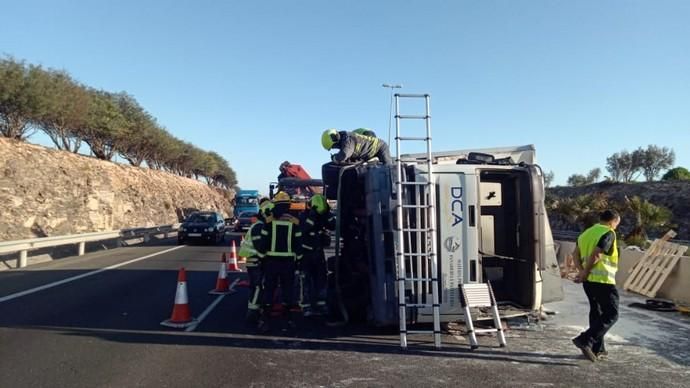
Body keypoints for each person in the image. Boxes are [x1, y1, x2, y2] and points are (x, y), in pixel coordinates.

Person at [571, 209, 621, 362]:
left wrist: (582, 272)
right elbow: (597, 254)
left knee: (597, 313)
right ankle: (585, 339)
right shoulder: (609, 233)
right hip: (603, 281)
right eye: (617, 224)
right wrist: (585, 273)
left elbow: (575, 254)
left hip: (589, 282)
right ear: (613, 221)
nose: (616, 227)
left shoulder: (586, 233)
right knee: (612, 314)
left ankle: (597, 349)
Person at [254, 191, 303, 332]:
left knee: (269, 288)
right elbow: (298, 244)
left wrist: (261, 258)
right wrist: (299, 261)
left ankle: (265, 319)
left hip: (271, 262)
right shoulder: (295, 222)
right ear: (288, 206)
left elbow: (263, 243)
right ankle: (288, 319)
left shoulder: (269, 221)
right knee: (288, 289)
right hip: (288, 263)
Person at [298, 194, 336, 316]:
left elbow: (333, 225)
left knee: (321, 279)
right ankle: (306, 306)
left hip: (318, 253)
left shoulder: (322, 216)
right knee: (305, 280)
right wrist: (312, 217)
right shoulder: (303, 216)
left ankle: (321, 304)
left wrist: (328, 214)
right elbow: (304, 229)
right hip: (305, 254)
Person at [238, 199, 273, 324]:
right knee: (258, 286)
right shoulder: (259, 227)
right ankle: (252, 312)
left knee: (255, 286)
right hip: (255, 260)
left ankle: (254, 307)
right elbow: (259, 246)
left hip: (253, 260)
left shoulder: (258, 225)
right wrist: (266, 257)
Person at [321, 128, 392, 165]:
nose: (336, 148)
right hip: (371, 153)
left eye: (334, 146)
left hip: (380, 147)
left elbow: (344, 154)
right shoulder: (345, 140)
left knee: (388, 170)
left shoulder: (348, 139)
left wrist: (335, 158)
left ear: (334, 138)